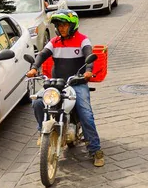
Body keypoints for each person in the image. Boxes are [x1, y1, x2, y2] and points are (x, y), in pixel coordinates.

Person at [27, 10, 104, 167]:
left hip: (77, 82)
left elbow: (89, 54)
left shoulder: (83, 40)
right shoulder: (54, 42)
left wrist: (88, 71)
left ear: (72, 26)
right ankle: (43, 132)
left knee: (86, 114)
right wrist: (34, 68)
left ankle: (95, 149)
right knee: (37, 103)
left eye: (64, 25)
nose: (61, 28)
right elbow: (42, 54)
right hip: (57, 83)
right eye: (59, 25)